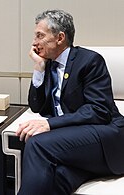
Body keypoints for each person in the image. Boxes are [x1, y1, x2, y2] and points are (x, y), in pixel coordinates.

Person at [16, 9, 124, 195]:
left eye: (40, 36)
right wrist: (39, 68)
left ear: (60, 38)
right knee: (58, 178)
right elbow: (36, 106)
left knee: (37, 143)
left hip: (106, 137)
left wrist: (50, 124)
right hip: (75, 143)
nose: (34, 43)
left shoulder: (90, 61)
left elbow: (98, 111)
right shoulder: (48, 63)